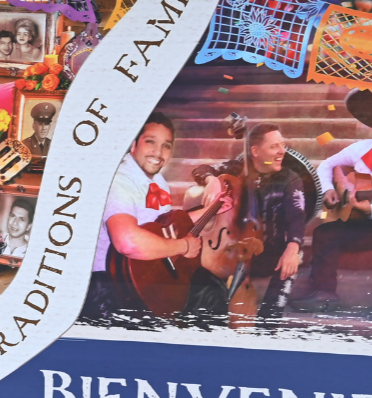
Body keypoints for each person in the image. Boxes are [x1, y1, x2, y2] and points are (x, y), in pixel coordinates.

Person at [83, 112, 225, 321]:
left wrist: (210, 210)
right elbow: (128, 243)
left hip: (146, 272)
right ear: (133, 144)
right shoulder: (119, 181)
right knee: (208, 297)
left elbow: (166, 226)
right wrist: (184, 246)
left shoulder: (157, 181)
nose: (158, 152)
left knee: (210, 286)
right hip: (109, 286)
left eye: (166, 145)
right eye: (151, 142)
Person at [290, 126, 372, 311]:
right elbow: (327, 165)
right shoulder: (361, 148)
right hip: (359, 221)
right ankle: (324, 294)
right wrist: (328, 189)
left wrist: (369, 211)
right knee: (325, 232)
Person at [238, 124, 304, 318]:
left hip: (270, 251)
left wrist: (293, 249)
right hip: (237, 249)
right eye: (275, 146)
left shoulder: (290, 178)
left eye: (282, 145)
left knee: (296, 253)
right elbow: (204, 170)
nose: (282, 151)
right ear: (255, 151)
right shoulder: (239, 168)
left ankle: (270, 319)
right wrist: (211, 180)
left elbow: (297, 217)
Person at [23, 101, 57, 165]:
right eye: (40, 124)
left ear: (49, 126)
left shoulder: (53, 145)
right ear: (34, 126)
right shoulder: (25, 145)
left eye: (46, 124)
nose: (44, 128)